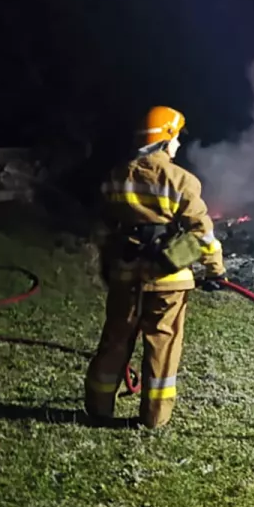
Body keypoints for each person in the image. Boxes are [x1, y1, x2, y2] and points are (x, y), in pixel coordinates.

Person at [84, 106, 226, 429]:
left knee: (116, 339)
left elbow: (105, 228)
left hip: (125, 275)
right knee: (162, 347)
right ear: (165, 140)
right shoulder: (181, 181)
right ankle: (153, 418)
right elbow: (202, 233)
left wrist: (108, 266)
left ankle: (98, 406)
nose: (177, 146)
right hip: (168, 280)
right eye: (175, 139)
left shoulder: (117, 176)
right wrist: (216, 270)